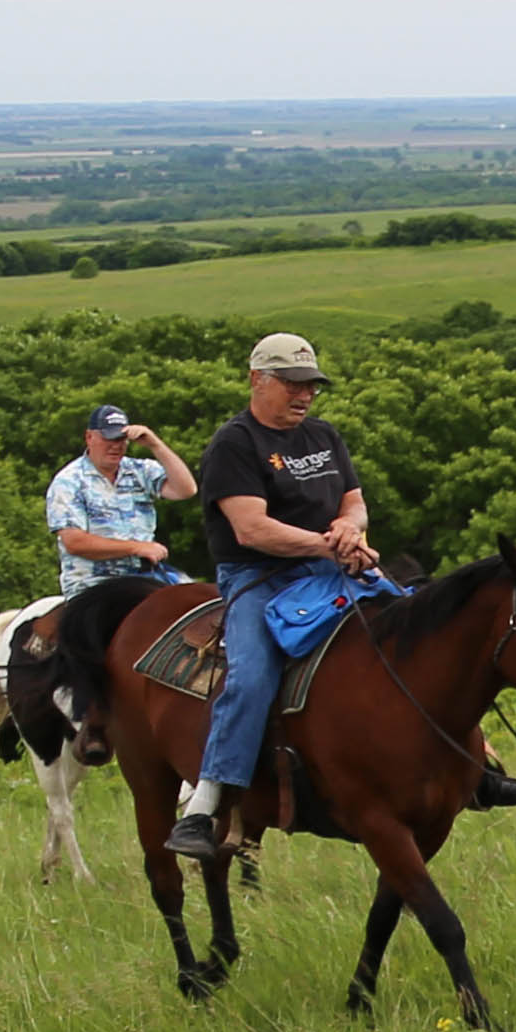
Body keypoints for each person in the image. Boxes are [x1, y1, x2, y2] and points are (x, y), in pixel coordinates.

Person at [173, 332, 373, 863]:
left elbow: (354, 503)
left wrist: (349, 532)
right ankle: (204, 806)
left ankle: (477, 765)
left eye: (310, 385)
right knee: (252, 676)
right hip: (259, 578)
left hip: (329, 567)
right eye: (291, 384)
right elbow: (252, 530)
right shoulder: (234, 444)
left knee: (417, 630)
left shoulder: (324, 436)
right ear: (257, 379)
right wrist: (330, 545)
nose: (304, 395)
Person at [44, 402, 197, 598]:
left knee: (199, 604)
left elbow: (186, 489)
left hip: (146, 575)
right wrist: (137, 548)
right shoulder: (69, 481)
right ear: (89, 437)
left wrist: (155, 444)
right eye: (108, 439)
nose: (116, 446)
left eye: (121, 439)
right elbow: (75, 542)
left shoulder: (139, 470)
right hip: (94, 583)